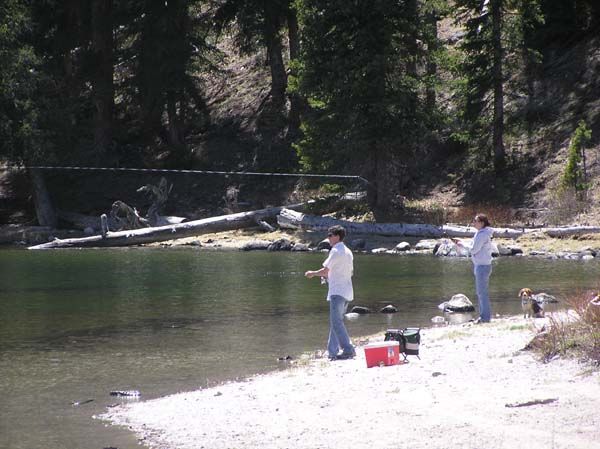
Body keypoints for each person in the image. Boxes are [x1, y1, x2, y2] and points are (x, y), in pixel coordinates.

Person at [305, 225, 356, 360]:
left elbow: (325, 271)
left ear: (337, 236)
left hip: (337, 292)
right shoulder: (348, 251)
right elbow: (349, 272)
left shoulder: (335, 251)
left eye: (330, 235)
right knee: (336, 322)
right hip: (347, 292)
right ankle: (332, 352)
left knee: (336, 322)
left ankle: (348, 349)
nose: (328, 237)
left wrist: (312, 273)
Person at [453, 214, 494, 323]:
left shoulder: (482, 235)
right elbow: (473, 245)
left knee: (482, 293)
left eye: (475, 221)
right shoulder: (480, 233)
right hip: (481, 265)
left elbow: (474, 250)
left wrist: (462, 244)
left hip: (482, 266)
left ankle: (485, 318)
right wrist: (461, 242)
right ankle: (484, 317)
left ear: (482, 222)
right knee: (481, 292)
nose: (473, 223)